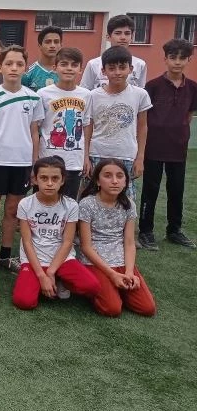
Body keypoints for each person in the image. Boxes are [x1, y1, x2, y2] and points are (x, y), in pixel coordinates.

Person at [0, 45, 44, 273]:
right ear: (0, 67)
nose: (14, 68)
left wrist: (34, 166)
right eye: (9, 63)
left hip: (22, 164)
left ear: (25, 68)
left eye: (19, 64)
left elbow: (34, 133)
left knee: (13, 211)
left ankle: (5, 255)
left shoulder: (33, 98)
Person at [12, 157, 100, 310]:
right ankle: (41, 282)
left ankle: (60, 280)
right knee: (23, 301)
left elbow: (67, 242)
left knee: (92, 286)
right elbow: (27, 242)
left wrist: (51, 272)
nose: (49, 183)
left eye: (55, 178)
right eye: (44, 178)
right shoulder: (25, 204)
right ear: (35, 179)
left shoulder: (71, 205)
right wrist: (41, 275)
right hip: (34, 259)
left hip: (62, 259)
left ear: (62, 180)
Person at [138, 39, 197, 250]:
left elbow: (188, 115)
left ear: (189, 60)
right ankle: (145, 231)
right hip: (153, 147)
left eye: (182, 58)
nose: (177, 62)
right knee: (150, 190)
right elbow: (144, 117)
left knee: (176, 190)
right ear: (165, 59)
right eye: (173, 57)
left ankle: (174, 230)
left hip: (178, 148)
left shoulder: (193, 88)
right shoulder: (152, 86)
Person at [78, 159, 156, 317]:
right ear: (98, 181)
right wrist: (111, 274)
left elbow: (129, 243)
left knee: (147, 308)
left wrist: (129, 272)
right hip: (95, 261)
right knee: (112, 308)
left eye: (120, 176)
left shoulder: (129, 205)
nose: (114, 181)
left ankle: (116, 288)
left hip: (120, 260)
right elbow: (86, 246)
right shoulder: (87, 204)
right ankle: (96, 287)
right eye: (107, 176)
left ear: (125, 182)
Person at [83, 46, 151, 201]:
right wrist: (85, 157)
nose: (117, 72)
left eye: (122, 67)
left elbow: (142, 126)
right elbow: (88, 127)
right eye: (112, 68)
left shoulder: (140, 94)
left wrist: (140, 158)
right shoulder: (92, 96)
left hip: (126, 155)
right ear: (103, 71)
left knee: (125, 201)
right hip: (97, 154)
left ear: (131, 69)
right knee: (93, 200)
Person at [37, 47, 91, 199]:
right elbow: (35, 127)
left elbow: (86, 126)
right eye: (64, 64)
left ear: (80, 69)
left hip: (74, 160)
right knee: (44, 200)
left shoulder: (86, 95)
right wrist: (35, 157)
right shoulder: (43, 94)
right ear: (55, 68)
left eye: (74, 65)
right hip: (48, 158)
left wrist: (86, 156)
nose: (69, 68)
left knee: (69, 203)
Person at [80, 14, 148, 90]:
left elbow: (141, 90)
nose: (123, 37)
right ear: (108, 37)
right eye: (118, 33)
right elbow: (85, 92)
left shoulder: (140, 64)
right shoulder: (93, 64)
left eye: (127, 33)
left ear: (132, 37)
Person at [22, 26, 62, 91]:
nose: (52, 45)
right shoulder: (28, 73)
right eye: (48, 42)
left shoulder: (65, 71)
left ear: (61, 45)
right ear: (40, 45)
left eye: (56, 42)